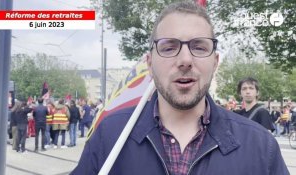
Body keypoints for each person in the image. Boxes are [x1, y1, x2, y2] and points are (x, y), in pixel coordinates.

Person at [71, 1, 289, 174]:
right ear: (149, 63)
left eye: (199, 47)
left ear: (215, 61)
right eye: (169, 47)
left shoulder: (262, 146)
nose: (185, 59)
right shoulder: (110, 135)